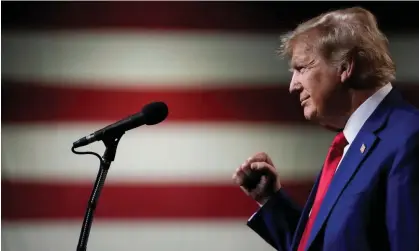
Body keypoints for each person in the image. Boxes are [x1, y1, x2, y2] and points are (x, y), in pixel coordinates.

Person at [232, 7, 419, 251]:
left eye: (302, 68)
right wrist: (270, 200)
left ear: (345, 67)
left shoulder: (409, 138)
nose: (292, 86)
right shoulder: (350, 144)